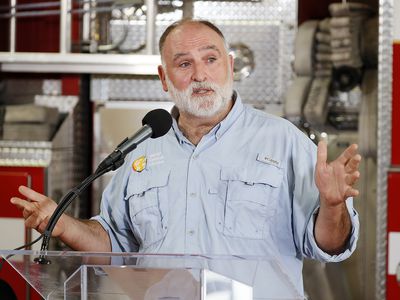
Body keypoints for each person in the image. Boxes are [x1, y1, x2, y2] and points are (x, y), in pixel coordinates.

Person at [11, 19, 361, 297]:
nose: (199, 74)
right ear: (164, 78)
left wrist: (333, 206)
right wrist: (63, 225)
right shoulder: (141, 149)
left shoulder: (283, 140)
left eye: (211, 59)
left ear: (229, 64)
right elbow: (116, 249)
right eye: (183, 63)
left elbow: (329, 246)